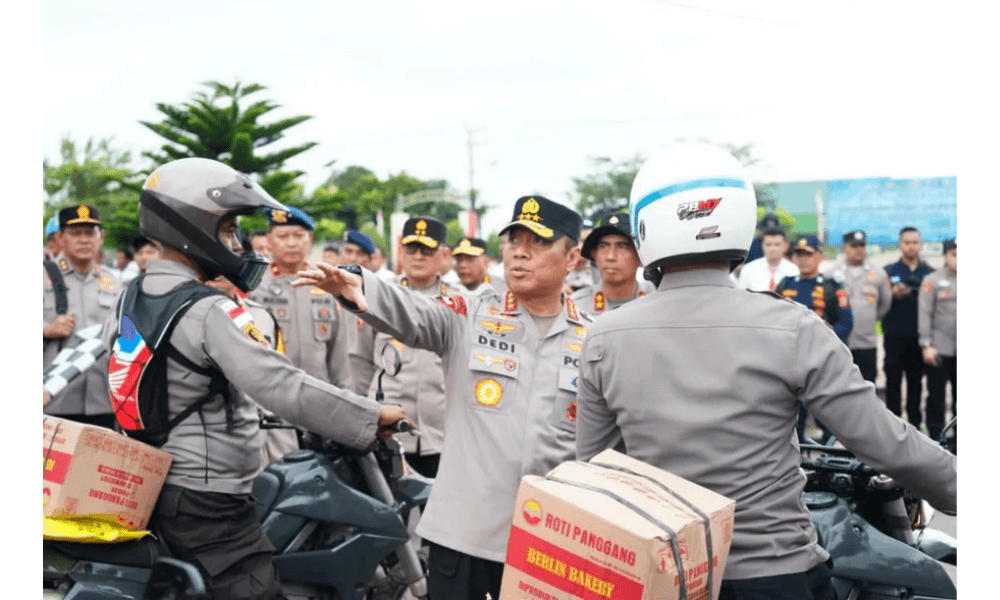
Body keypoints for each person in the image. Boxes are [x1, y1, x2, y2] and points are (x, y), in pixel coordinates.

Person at [575, 143, 956, 600]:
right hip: (778, 574)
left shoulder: (603, 336)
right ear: (740, 219)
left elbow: (597, 475)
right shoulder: (791, 326)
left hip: (668, 578)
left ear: (644, 227)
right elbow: (888, 442)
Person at [103, 157, 407, 600]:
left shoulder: (134, 293)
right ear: (192, 226)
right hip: (210, 499)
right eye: (227, 230)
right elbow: (280, 384)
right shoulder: (209, 309)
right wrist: (371, 415)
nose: (236, 243)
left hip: (157, 480)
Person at [294, 195, 592, 600]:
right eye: (514, 240)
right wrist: (361, 286)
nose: (520, 252)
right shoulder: (469, 314)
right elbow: (414, 312)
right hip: (464, 536)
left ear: (573, 257)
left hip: (552, 543)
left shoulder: (593, 338)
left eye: (538, 242)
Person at [363, 217, 463, 478]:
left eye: (427, 250)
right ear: (400, 251)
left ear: (444, 255)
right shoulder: (379, 294)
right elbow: (357, 361)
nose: (418, 257)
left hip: (442, 433)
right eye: (411, 249)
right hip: (388, 429)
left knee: (441, 513)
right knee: (388, 513)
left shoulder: (461, 302)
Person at [248, 205, 355, 391]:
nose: (291, 243)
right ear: (269, 241)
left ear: (310, 240)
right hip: (271, 399)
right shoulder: (253, 286)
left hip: (319, 397)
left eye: (298, 236)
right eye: (282, 237)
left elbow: (340, 358)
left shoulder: (327, 285)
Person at [43, 204, 121, 429]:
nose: (84, 240)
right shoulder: (41, 276)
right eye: (76, 233)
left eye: (90, 233)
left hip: (103, 400)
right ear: (60, 237)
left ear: (101, 237)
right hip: (54, 400)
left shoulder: (113, 281)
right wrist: (46, 330)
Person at [776, 235, 853, 442]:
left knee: (827, 414)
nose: (803, 260)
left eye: (808, 255)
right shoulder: (785, 284)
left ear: (819, 256)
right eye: (798, 255)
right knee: (793, 418)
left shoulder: (832, 286)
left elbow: (845, 323)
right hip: (791, 360)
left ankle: (831, 462)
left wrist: (824, 337)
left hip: (822, 360)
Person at [882, 226, 935, 427]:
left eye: (915, 242)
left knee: (916, 383)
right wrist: (892, 294)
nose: (911, 246)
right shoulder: (888, 272)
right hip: (894, 336)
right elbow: (878, 300)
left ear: (921, 245)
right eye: (907, 242)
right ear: (900, 245)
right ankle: (892, 428)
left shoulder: (930, 273)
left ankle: (914, 427)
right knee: (893, 383)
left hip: (919, 338)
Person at [823, 230, 892, 383]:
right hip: (839, 343)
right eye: (854, 246)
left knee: (867, 384)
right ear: (844, 248)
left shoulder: (878, 272)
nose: (859, 249)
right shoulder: (831, 274)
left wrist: (871, 317)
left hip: (866, 341)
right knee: (839, 385)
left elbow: (885, 303)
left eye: (862, 245)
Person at [572, 212, 653, 314]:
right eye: (603, 246)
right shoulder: (576, 307)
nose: (611, 256)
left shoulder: (655, 301)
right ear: (594, 254)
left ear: (640, 256)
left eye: (622, 246)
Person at [918, 238, 957, 441]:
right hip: (939, 349)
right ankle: (936, 439)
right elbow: (925, 315)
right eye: (954, 254)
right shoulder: (931, 280)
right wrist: (926, 345)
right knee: (936, 397)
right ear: (945, 256)